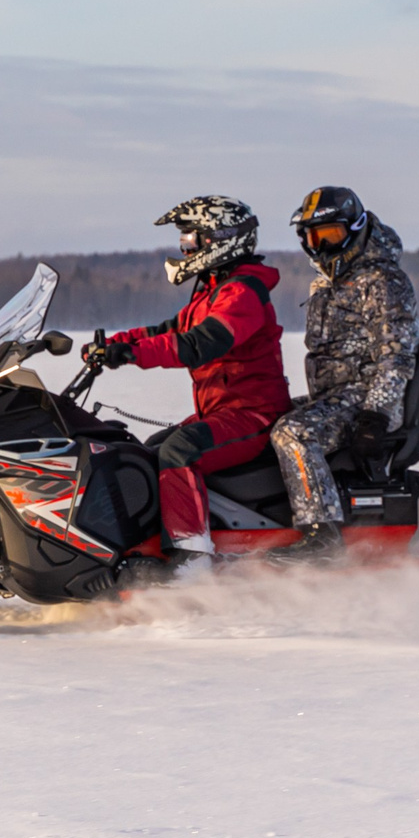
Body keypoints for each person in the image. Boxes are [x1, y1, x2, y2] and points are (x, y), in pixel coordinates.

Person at [81, 196, 290, 572]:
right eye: (184, 243)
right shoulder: (213, 288)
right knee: (151, 450)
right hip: (224, 410)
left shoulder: (242, 292)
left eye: (191, 242)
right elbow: (169, 330)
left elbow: (200, 343)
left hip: (253, 414)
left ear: (221, 240)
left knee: (180, 450)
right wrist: (115, 344)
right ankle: (150, 548)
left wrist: (133, 356)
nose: (184, 249)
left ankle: (192, 559)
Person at [268, 185, 419, 561]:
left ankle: (322, 536)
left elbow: (396, 357)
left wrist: (376, 415)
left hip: (369, 402)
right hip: (336, 397)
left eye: (330, 235)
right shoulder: (327, 283)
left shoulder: (383, 282)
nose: (321, 247)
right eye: (312, 237)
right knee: (263, 418)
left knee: (293, 432)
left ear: (356, 229)